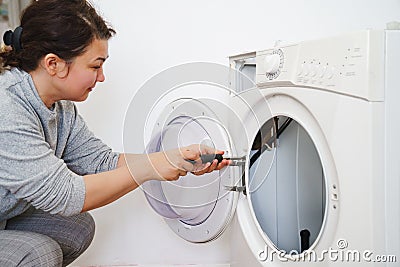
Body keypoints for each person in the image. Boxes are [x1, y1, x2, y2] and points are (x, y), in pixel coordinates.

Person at [0, 1, 229, 266]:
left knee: (76, 227)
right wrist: (152, 167)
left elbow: (100, 163)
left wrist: (173, 157)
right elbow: (66, 195)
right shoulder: (8, 108)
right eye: (95, 66)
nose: (102, 77)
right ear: (54, 64)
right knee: (37, 252)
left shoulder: (60, 107)